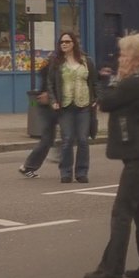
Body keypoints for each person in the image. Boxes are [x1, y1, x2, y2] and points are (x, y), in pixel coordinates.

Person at [83, 33, 139, 278]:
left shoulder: (134, 84)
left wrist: (114, 78)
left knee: (122, 212)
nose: (120, 59)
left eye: (124, 55)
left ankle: (111, 268)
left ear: (137, 60)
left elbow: (106, 103)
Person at [47, 32, 98, 183]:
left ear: (74, 43)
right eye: (62, 42)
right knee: (67, 139)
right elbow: (50, 84)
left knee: (83, 140)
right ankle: (66, 172)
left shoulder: (87, 61)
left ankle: (82, 172)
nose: (64, 44)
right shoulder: (56, 62)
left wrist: (96, 99)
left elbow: (95, 82)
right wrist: (53, 100)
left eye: (67, 42)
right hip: (65, 106)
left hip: (84, 105)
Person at [18, 56, 58, 179]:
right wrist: (47, 94)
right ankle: (28, 166)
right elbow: (48, 84)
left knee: (55, 136)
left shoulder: (56, 63)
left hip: (54, 104)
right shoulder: (54, 64)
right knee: (48, 138)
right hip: (47, 106)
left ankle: (60, 157)